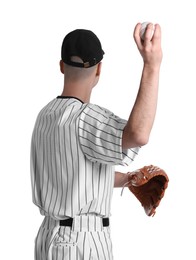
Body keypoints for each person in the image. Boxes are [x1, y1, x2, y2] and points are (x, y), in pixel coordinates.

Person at [30, 23, 162, 260]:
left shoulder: (45, 115)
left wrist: (127, 179)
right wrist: (152, 65)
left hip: (49, 236)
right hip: (81, 241)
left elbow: (74, 175)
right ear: (99, 69)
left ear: (61, 66)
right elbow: (138, 134)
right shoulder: (86, 118)